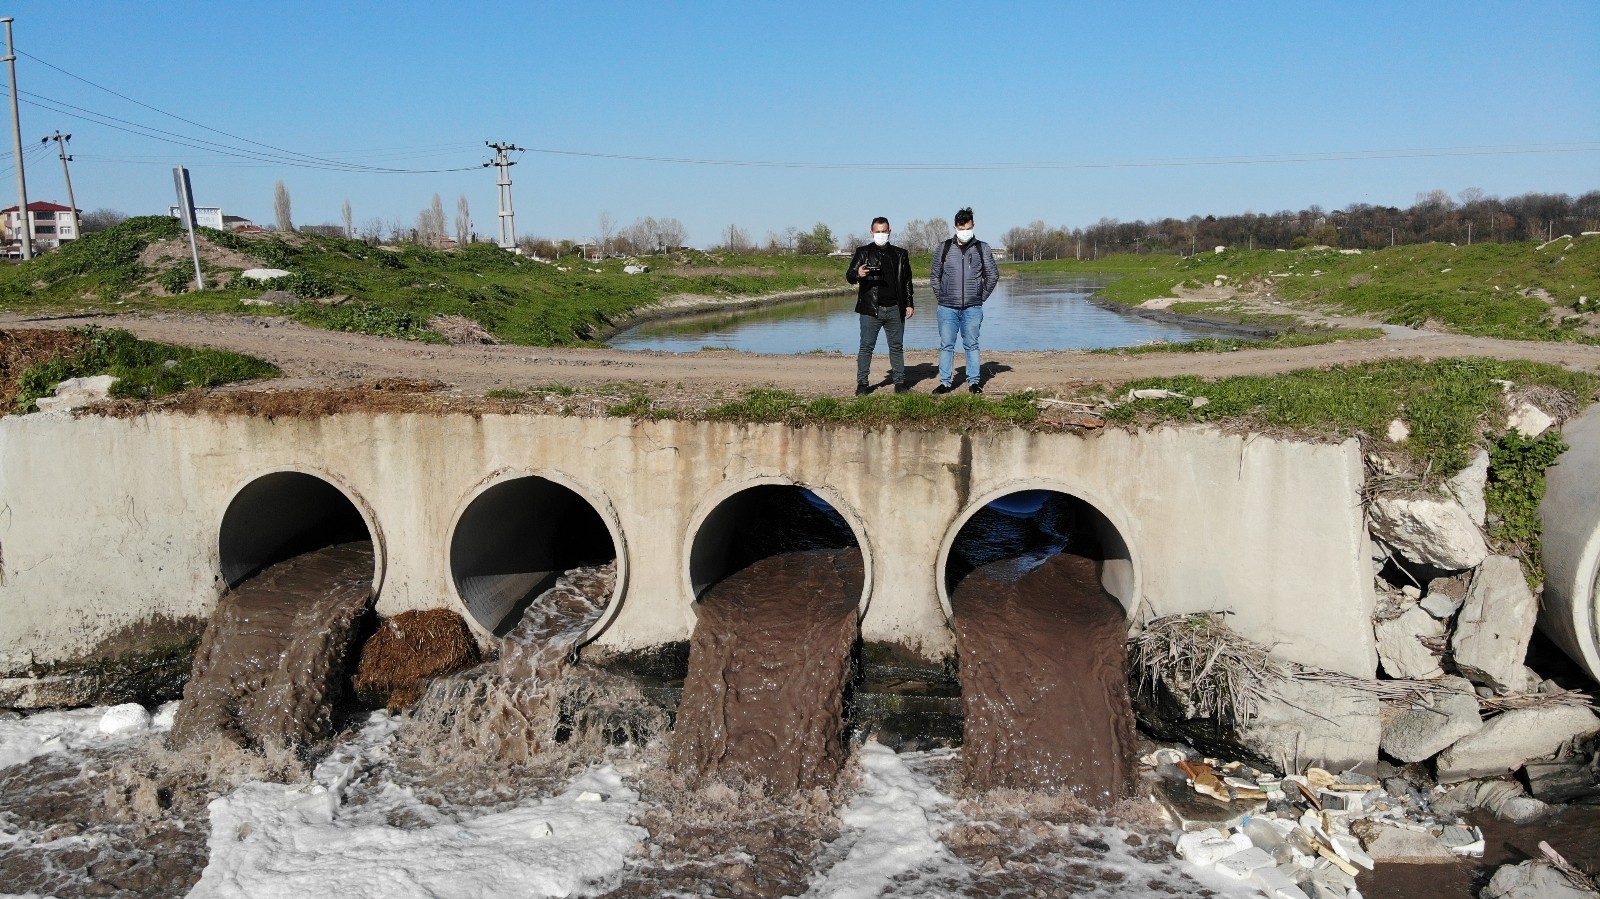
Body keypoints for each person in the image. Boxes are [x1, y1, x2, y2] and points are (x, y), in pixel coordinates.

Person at [929, 207, 999, 393]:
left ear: (973, 225)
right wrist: (941, 296)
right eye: (961, 228)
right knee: (946, 345)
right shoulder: (943, 248)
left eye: (967, 227)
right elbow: (935, 276)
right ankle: (945, 382)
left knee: (972, 345)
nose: (964, 231)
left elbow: (992, 276)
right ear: (955, 227)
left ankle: (974, 382)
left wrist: (980, 297)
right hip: (947, 308)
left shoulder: (981, 248)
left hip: (972, 308)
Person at [845, 216, 915, 394]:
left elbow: (907, 281)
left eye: (884, 231)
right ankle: (862, 384)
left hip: (895, 308)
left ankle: (899, 383)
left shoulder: (900, 254)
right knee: (866, 346)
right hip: (870, 309)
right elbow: (850, 275)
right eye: (878, 232)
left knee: (896, 347)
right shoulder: (863, 252)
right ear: (871, 232)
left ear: (889, 232)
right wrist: (858, 273)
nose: (881, 234)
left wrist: (909, 303)